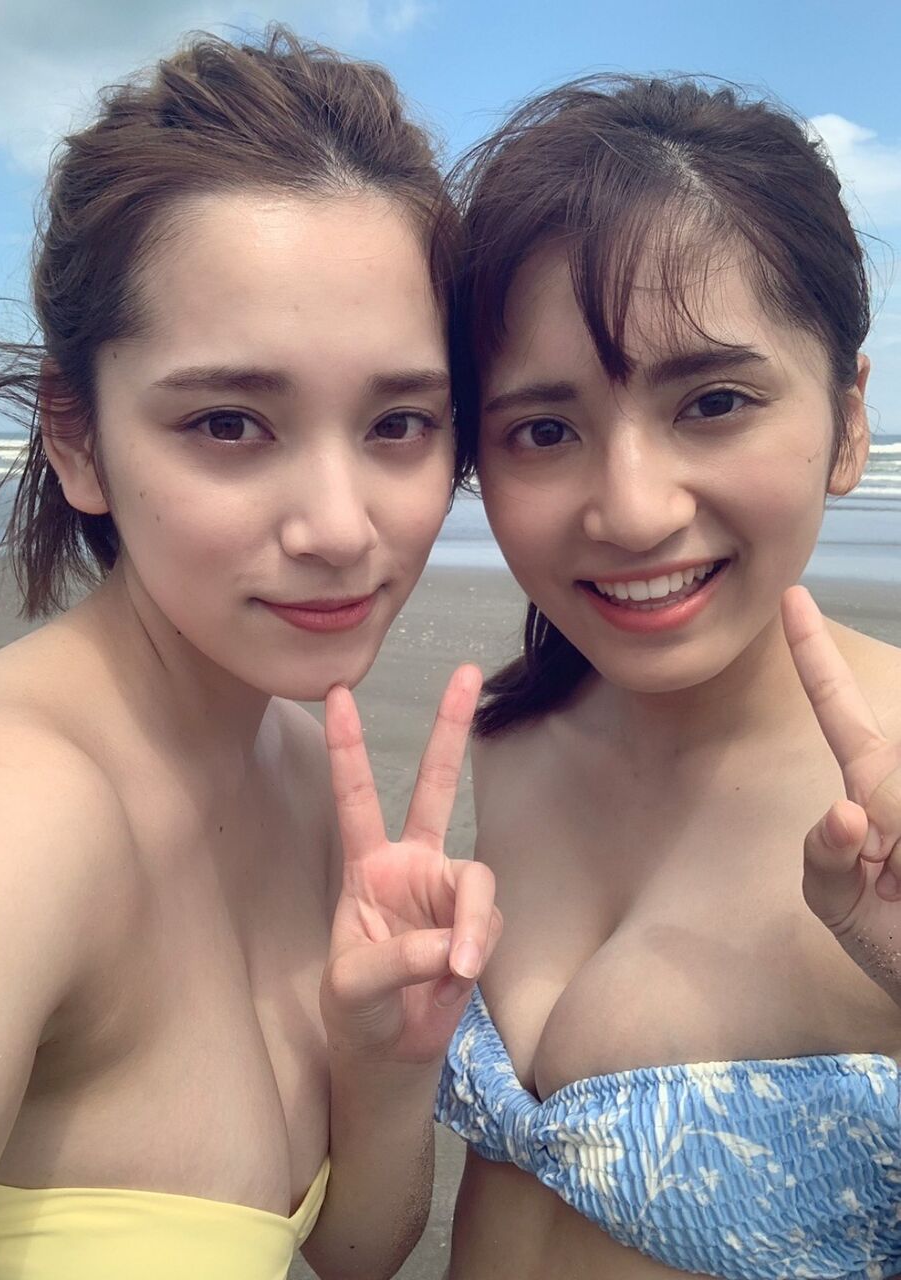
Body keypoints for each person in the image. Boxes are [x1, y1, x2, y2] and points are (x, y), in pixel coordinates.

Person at [0, 28, 499, 1280]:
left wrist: (383, 1065)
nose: (338, 526)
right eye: (230, 422)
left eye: (398, 422)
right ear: (76, 436)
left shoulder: (297, 767)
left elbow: (349, 1249)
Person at [436, 76, 901, 1279]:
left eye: (712, 401)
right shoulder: (507, 735)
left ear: (848, 417)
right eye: (543, 429)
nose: (632, 509)